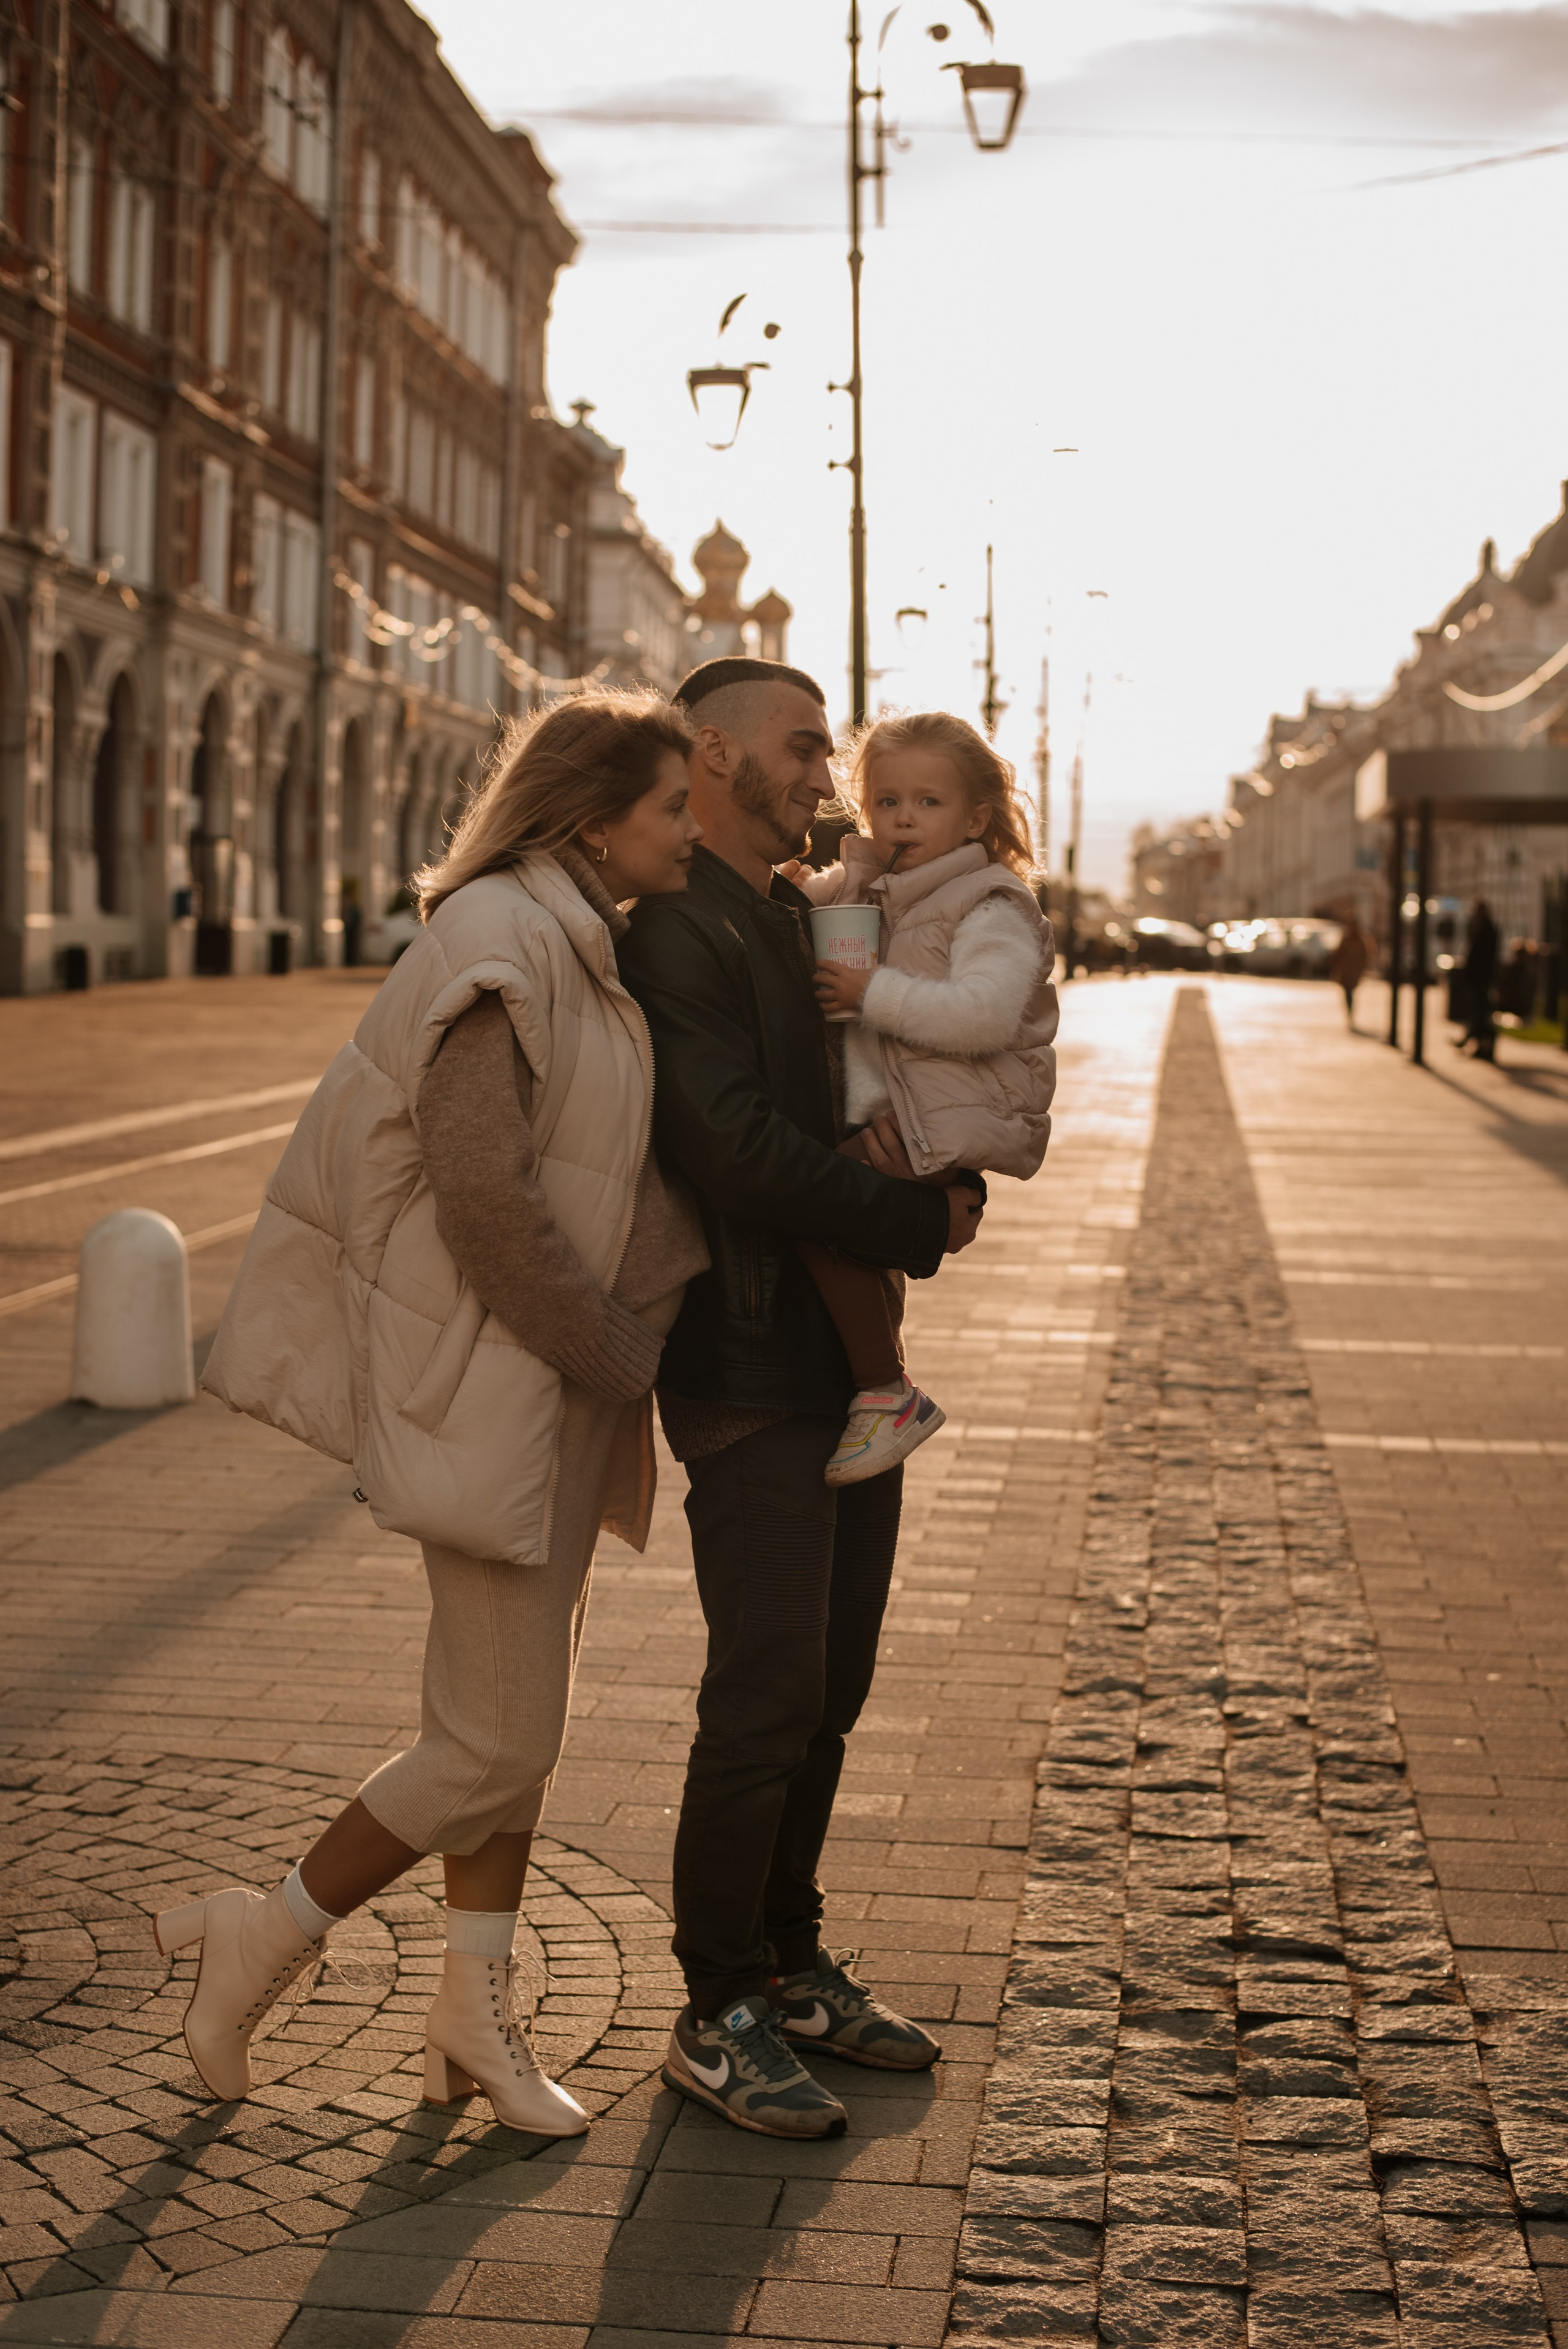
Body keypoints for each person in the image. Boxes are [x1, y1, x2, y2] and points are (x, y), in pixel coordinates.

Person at [176, 692, 709, 2136]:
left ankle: (471, 2011)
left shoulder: (569, 934)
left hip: (536, 1388)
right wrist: (608, 1342)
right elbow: (481, 1189)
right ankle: (259, 1935)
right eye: (671, 804)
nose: (688, 829)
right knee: (493, 1740)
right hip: (495, 1384)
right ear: (592, 816)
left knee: (503, 1725)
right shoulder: (500, 940)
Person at [616, 657, 984, 2141]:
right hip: (748, 1361)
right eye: (804, 745)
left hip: (841, 1359)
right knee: (763, 1690)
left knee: (828, 1688)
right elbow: (731, 1145)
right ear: (713, 753)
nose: (828, 773)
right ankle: (713, 2009)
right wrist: (910, 1218)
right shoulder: (676, 927)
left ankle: (785, 1960)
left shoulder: (789, 914)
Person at [797, 711, 1057, 1484]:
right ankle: (877, 1384)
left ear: (974, 818)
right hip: (899, 1115)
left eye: (927, 802)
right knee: (842, 1228)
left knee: (813, 1205)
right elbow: (807, 904)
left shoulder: (990, 904)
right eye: (886, 801)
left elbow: (984, 1014)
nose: (903, 818)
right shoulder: (875, 886)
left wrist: (871, 992)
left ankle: (886, 1390)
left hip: (946, 1119)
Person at [1463, 897, 1499, 1059]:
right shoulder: (1479, 927)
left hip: (1482, 977)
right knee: (1478, 1012)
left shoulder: (1488, 930)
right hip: (1478, 977)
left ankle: (1480, 1044)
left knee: (1481, 1012)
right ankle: (1476, 1043)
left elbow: (1483, 956)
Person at [1329, 914, 1371, 1028]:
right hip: (1346, 971)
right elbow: (1338, 955)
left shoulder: (1360, 941)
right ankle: (1349, 1011)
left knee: (1350, 992)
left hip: (1354, 971)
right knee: (1347, 992)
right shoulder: (1346, 940)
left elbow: (1365, 957)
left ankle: (1350, 1011)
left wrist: (1362, 970)